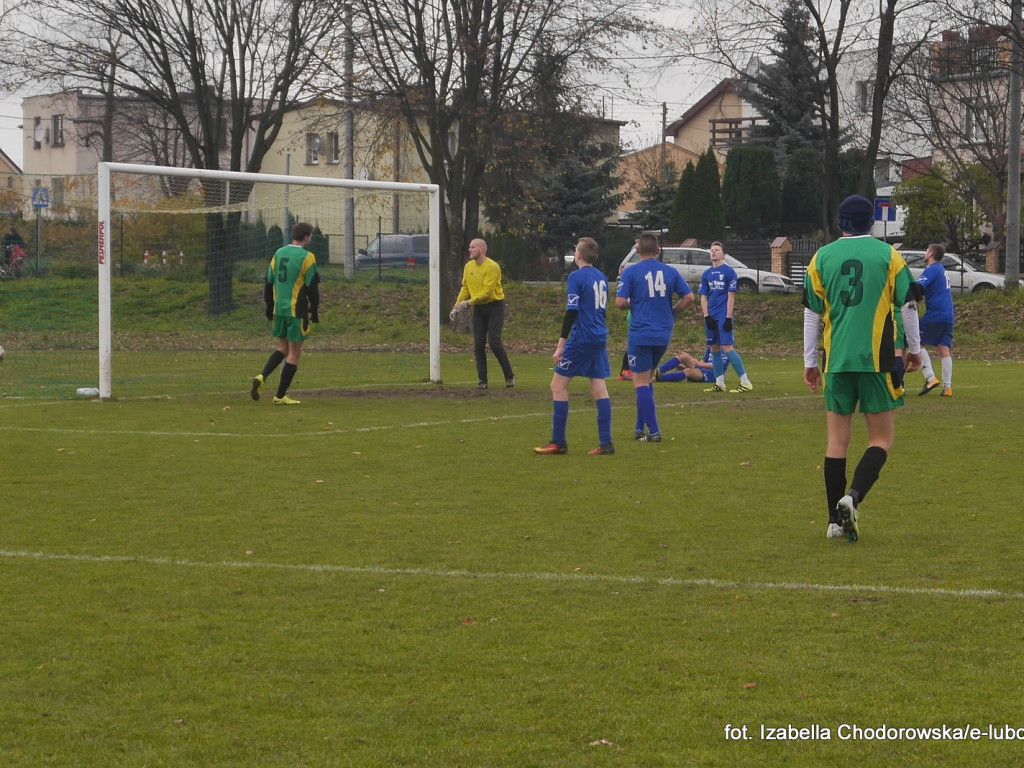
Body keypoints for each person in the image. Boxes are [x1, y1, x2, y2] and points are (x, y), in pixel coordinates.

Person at [803, 195, 922, 542]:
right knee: (881, 439)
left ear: (840, 223)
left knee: (836, 442)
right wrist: (915, 349)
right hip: (877, 361)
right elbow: (909, 304)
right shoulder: (889, 255)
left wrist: (811, 361)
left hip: (836, 361)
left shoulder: (821, 257)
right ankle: (852, 498)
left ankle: (833, 523)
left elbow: (812, 312)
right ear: (870, 222)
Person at [533, 237, 614, 455]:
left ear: (578, 255)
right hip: (599, 335)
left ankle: (558, 442)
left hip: (583, 337)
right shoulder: (601, 277)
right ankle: (606, 443)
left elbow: (572, 311)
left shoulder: (576, 277)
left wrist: (561, 345)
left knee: (557, 386)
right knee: (599, 388)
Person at [615, 232, 694, 442]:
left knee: (639, 381)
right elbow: (689, 297)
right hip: (663, 332)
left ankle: (655, 430)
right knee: (648, 378)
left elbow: (620, 302)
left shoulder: (631, 272)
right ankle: (639, 427)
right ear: (658, 250)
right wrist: (673, 311)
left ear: (637, 250)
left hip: (641, 332)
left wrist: (637, 304)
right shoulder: (670, 271)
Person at [250, 222, 320, 405]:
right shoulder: (307, 257)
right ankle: (280, 396)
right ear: (306, 237)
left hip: (279, 310)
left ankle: (262, 376)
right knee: (294, 353)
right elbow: (312, 287)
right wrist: (315, 308)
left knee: (283, 348)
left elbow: (268, 282)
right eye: (310, 235)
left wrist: (268, 306)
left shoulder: (278, 253)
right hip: (296, 310)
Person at [450, 238, 515, 389]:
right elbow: (465, 288)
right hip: (479, 308)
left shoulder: (492, 267)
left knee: (494, 341)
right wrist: (456, 307)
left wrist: (468, 303)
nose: (469, 250)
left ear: (481, 249)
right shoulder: (468, 267)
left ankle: (509, 377)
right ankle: (482, 381)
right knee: (478, 344)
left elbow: (486, 293)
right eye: (469, 247)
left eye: (472, 247)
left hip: (494, 306)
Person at [699, 241, 753, 393]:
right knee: (714, 347)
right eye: (711, 250)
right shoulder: (707, 273)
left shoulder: (729, 272)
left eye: (716, 250)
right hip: (711, 315)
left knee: (727, 347)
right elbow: (703, 297)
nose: (713, 252)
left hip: (723, 314)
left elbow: (731, 296)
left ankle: (745, 382)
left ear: (723, 254)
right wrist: (706, 316)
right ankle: (719, 383)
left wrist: (728, 318)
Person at [915, 243, 955, 398]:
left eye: (926, 250)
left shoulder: (932, 269)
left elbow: (918, 288)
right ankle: (948, 387)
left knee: (915, 339)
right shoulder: (942, 270)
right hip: (948, 314)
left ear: (931, 253)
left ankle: (930, 378)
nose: (925, 253)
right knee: (943, 347)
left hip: (936, 313)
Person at [654, 346, 730, 383]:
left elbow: (717, 366)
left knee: (688, 371)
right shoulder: (711, 345)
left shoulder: (726, 349)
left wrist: (698, 365)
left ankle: (658, 378)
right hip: (702, 369)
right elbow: (704, 360)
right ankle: (659, 371)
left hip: (713, 375)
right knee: (682, 355)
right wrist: (696, 365)